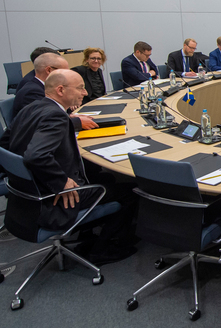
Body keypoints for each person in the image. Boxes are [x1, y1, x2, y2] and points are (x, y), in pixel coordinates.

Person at [1, 69, 137, 264]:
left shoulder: (31, 108)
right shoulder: (56, 116)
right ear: (60, 90)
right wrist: (61, 182)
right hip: (53, 201)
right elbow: (35, 155)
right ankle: (102, 249)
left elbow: (5, 144)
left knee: (105, 178)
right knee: (130, 191)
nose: (84, 93)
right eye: (80, 88)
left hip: (26, 199)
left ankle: (87, 234)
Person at [14, 53, 97, 130]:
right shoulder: (32, 91)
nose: (68, 73)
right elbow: (43, 123)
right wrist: (77, 122)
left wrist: (69, 117)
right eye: (64, 71)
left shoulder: (40, 86)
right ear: (49, 70)